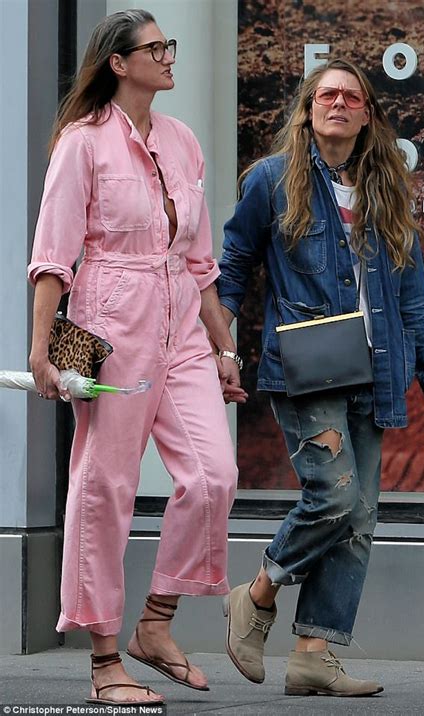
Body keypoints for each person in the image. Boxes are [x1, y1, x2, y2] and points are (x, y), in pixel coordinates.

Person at [217, 58, 424, 697]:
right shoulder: (272, 180)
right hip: (309, 369)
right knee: (335, 497)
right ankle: (256, 593)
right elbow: (232, 268)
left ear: (367, 114)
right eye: (327, 94)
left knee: (359, 519)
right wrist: (219, 349)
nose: (339, 104)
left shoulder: (386, 188)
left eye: (352, 97)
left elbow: (412, 294)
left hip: (374, 371)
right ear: (308, 107)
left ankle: (312, 655)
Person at [28, 8, 246, 705]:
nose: (169, 56)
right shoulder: (82, 143)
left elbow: (202, 264)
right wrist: (42, 349)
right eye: (155, 48)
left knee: (213, 476)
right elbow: (53, 257)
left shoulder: (183, 141)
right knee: (105, 488)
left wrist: (225, 347)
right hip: (110, 323)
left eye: (168, 45)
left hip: (182, 325)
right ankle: (103, 661)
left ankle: (155, 622)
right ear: (118, 63)